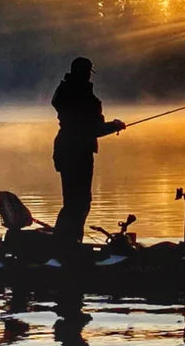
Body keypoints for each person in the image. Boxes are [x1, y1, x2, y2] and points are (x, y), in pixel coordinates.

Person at [51, 57, 126, 250]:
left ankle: (65, 243)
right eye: (87, 72)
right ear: (86, 73)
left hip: (64, 149)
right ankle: (68, 245)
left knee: (73, 201)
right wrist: (115, 125)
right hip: (79, 152)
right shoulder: (85, 97)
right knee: (80, 202)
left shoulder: (63, 92)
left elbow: (84, 126)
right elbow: (92, 129)